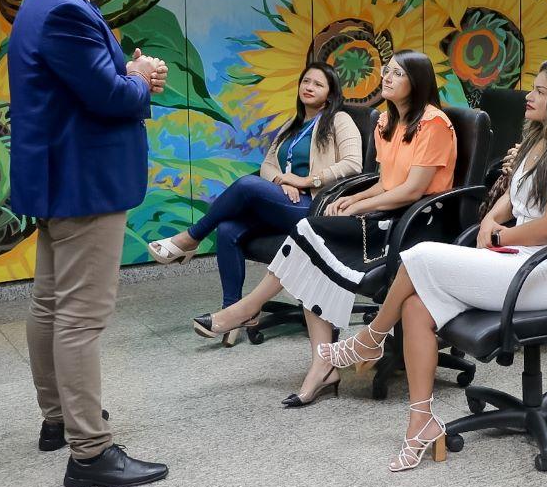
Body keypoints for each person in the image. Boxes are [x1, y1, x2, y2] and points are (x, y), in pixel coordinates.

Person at [314, 59, 547, 472]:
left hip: (542, 271)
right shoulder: (540, 141)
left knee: (422, 254)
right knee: (415, 308)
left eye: (539, 91)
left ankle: (372, 337)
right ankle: (421, 422)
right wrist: (490, 219)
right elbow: (515, 197)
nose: (529, 96)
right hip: (512, 260)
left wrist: (500, 236)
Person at [189, 50, 456, 407]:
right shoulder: (386, 122)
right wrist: (357, 198)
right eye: (386, 71)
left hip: (417, 222)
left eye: (396, 74)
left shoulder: (433, 124)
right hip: (387, 213)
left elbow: (412, 190)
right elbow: (385, 181)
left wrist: (359, 203)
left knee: (308, 235)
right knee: (310, 247)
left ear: (416, 83)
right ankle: (322, 365)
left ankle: (245, 310)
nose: (386, 78)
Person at [8, 0, 170, 487]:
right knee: (81, 318)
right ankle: (90, 451)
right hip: (85, 183)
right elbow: (107, 97)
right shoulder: (68, 11)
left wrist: (122, 71)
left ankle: (59, 420)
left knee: (50, 305)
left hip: (59, 180)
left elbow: (82, 83)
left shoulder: (44, 3)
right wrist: (143, 76)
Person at [147, 63, 363, 318]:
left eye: (318, 84)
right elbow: (268, 166)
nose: (309, 87)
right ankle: (234, 313)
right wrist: (283, 182)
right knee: (227, 229)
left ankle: (191, 238)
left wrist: (306, 181)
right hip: (286, 202)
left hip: (315, 206)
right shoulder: (291, 126)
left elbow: (353, 164)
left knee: (246, 186)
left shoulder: (339, 120)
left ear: (330, 93)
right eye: (306, 81)